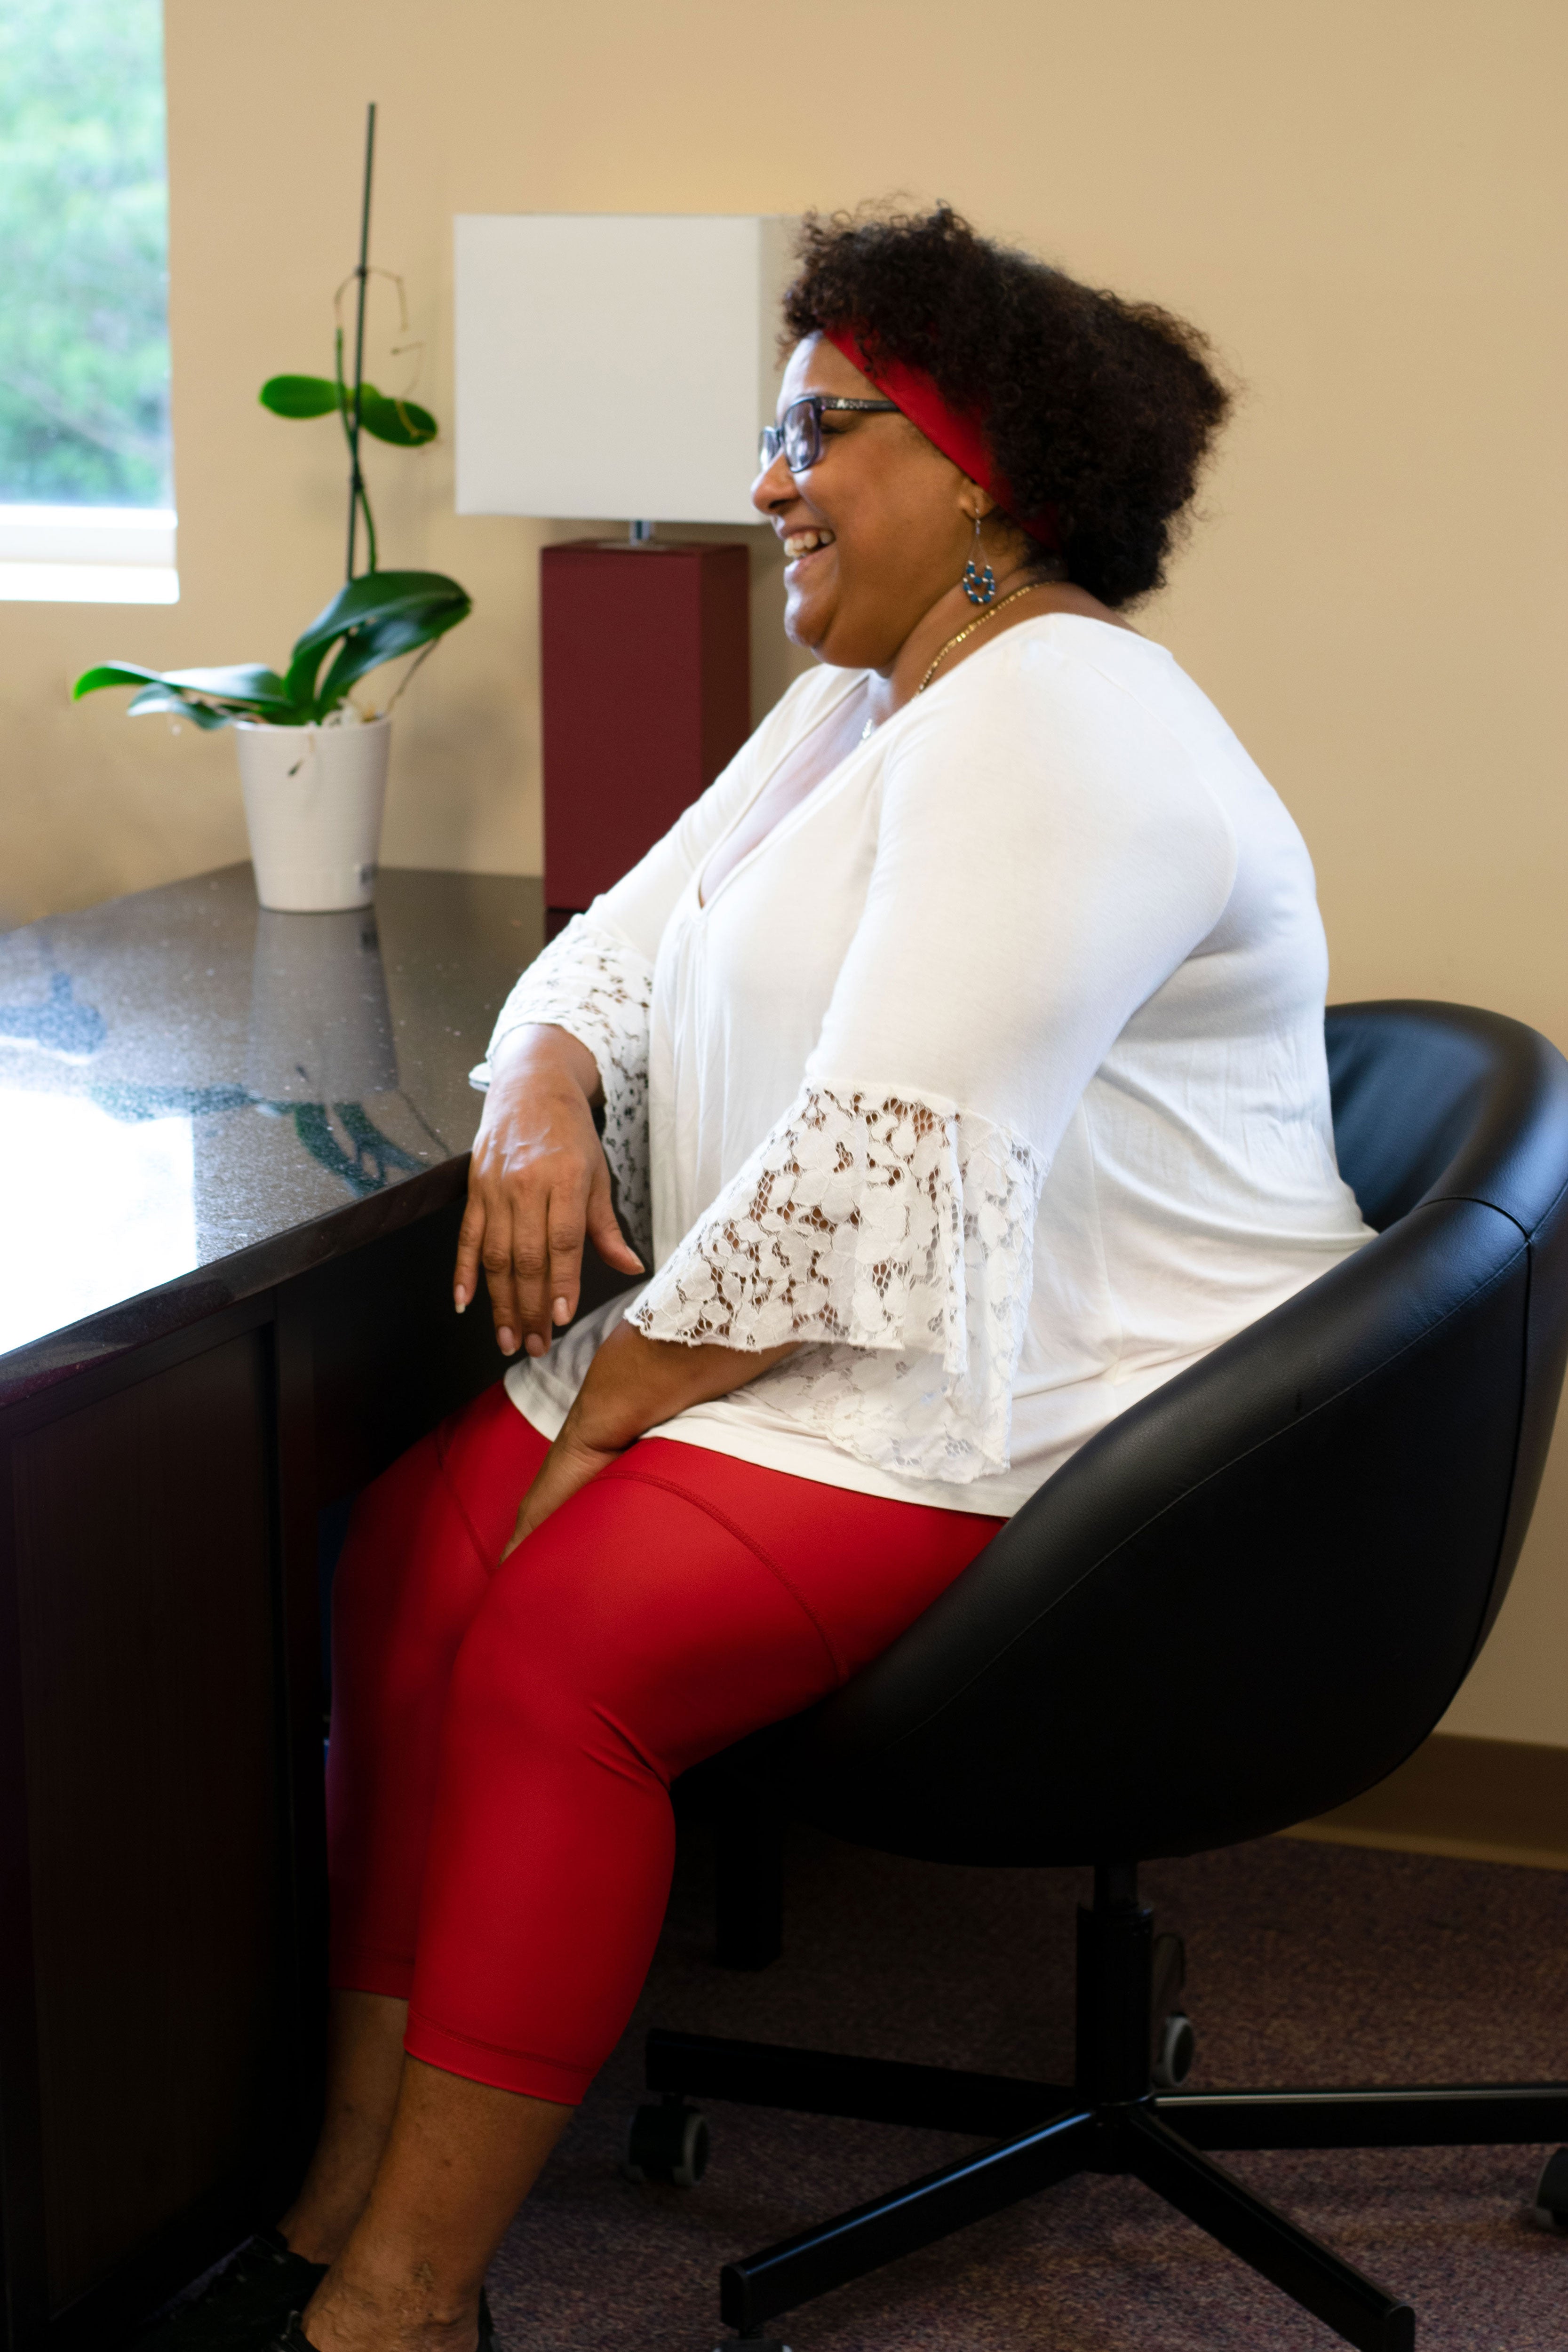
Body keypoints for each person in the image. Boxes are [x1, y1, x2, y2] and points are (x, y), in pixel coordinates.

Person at [160, 203, 1371, 2352]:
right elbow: (620, 938)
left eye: (821, 426)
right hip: (820, 1327)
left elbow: (883, 1172)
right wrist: (539, 1086)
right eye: (773, 421)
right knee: (398, 1576)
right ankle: (339, 2195)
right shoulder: (861, 702)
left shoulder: (1065, 709)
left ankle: (404, 2304)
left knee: (553, 1643)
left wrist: (613, 1417)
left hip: (1086, 1393)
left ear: (983, 470)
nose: (767, 478)